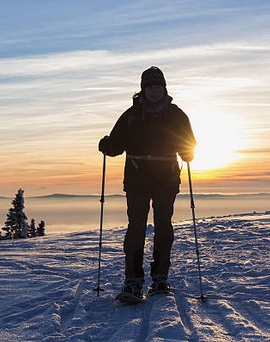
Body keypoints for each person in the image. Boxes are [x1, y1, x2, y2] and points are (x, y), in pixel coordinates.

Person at [98, 66, 196, 301]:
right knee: (137, 228)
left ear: (164, 88)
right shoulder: (132, 115)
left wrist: (187, 152)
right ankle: (134, 280)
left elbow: (189, 144)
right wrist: (108, 146)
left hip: (164, 180)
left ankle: (159, 278)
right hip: (138, 180)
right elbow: (117, 145)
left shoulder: (175, 114)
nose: (154, 90)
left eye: (158, 86)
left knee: (163, 227)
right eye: (150, 86)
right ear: (143, 89)